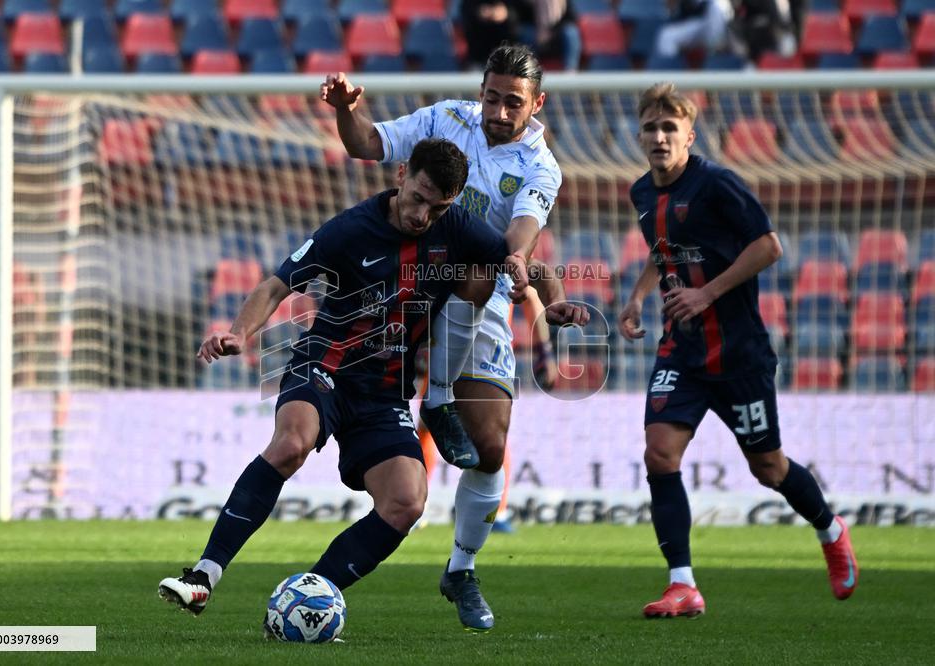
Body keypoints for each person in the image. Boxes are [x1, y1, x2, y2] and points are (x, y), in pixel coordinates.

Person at [158, 138, 587, 617]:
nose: (423, 216)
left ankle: (311, 596)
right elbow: (278, 283)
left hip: (385, 393)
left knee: (407, 501)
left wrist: (553, 301)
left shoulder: (460, 229)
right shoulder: (350, 229)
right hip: (324, 368)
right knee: (290, 444)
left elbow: (530, 265)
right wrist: (239, 333)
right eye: (419, 198)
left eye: (438, 206)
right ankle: (203, 575)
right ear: (401, 174)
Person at [320, 43, 563, 631]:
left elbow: (523, 230)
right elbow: (367, 145)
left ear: (537, 104)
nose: (499, 113)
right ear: (480, 89)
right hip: (403, 281)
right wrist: (347, 110)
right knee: (316, 395)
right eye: (492, 97)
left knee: (490, 450)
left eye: (513, 103)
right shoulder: (443, 120)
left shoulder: (541, 165)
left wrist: (532, 274)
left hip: (478, 297)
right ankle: (429, 402)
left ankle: (460, 568)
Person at [617, 82, 859, 618]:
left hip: (738, 355)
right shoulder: (641, 193)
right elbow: (663, 253)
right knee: (659, 453)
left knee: (768, 469)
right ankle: (683, 584)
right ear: (640, 135)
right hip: (682, 350)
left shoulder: (718, 184)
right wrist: (635, 299)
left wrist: (705, 292)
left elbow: (770, 246)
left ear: (688, 137)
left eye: (669, 129)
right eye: (651, 129)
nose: (659, 138)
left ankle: (830, 528)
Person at [655, 0, 734, 59]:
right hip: (694, 22)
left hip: (714, 18)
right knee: (667, 36)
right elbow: (671, 8)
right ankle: (670, 74)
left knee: (717, 8)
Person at [460, 1, 520, 70]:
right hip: (478, 56)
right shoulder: (469, 5)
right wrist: (478, 12)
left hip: (507, 56)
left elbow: (521, 12)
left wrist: (507, 13)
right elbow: (466, 11)